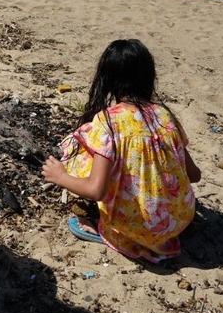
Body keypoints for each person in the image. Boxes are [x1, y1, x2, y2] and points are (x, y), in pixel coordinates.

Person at [41, 39, 201, 263]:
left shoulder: (109, 120)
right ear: (149, 76)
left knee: (80, 149)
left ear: (107, 79)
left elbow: (96, 191)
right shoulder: (165, 116)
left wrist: (60, 176)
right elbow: (194, 175)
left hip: (137, 230)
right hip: (180, 220)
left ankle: (99, 229)